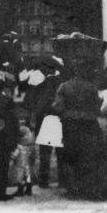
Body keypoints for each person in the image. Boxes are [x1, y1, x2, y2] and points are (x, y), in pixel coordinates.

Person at [52, 61, 107, 200]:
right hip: (89, 124)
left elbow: (57, 107)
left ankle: (73, 189)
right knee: (90, 156)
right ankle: (90, 188)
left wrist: (67, 113)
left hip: (70, 124)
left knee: (71, 156)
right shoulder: (91, 87)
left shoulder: (64, 87)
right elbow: (97, 107)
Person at [30, 57, 65, 189]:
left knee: (44, 152)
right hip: (60, 119)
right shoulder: (63, 84)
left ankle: (43, 181)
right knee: (61, 152)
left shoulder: (39, 87)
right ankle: (63, 180)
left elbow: (32, 104)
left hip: (45, 120)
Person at [10, 126, 36, 197]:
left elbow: (14, 154)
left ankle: (20, 191)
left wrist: (12, 159)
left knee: (20, 178)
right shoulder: (32, 145)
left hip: (20, 165)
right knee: (28, 177)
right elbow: (33, 155)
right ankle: (29, 190)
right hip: (29, 165)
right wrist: (33, 161)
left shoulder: (19, 146)